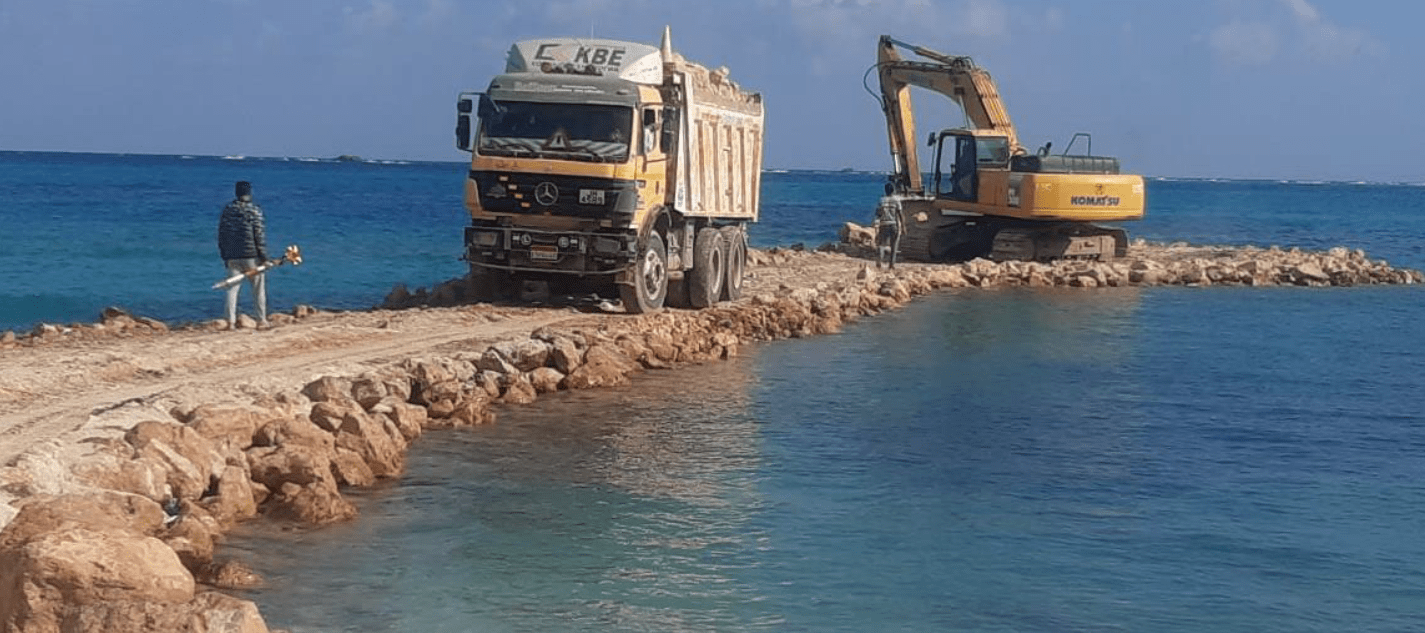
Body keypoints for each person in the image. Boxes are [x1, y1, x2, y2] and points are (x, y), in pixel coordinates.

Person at [217, 180, 269, 328]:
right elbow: (259, 235)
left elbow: (222, 234)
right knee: (258, 289)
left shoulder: (228, 210)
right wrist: (264, 256)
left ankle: (230, 321)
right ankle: (261, 320)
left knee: (232, 289)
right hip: (252, 256)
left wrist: (224, 254)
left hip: (233, 255)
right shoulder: (254, 210)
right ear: (249, 193)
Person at [874, 183, 904, 269]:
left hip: (883, 224)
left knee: (882, 244)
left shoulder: (882, 200)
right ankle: (891, 264)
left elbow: (878, 213)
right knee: (894, 245)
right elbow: (900, 214)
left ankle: (879, 262)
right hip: (893, 224)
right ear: (893, 190)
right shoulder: (896, 200)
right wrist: (903, 226)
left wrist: (876, 224)